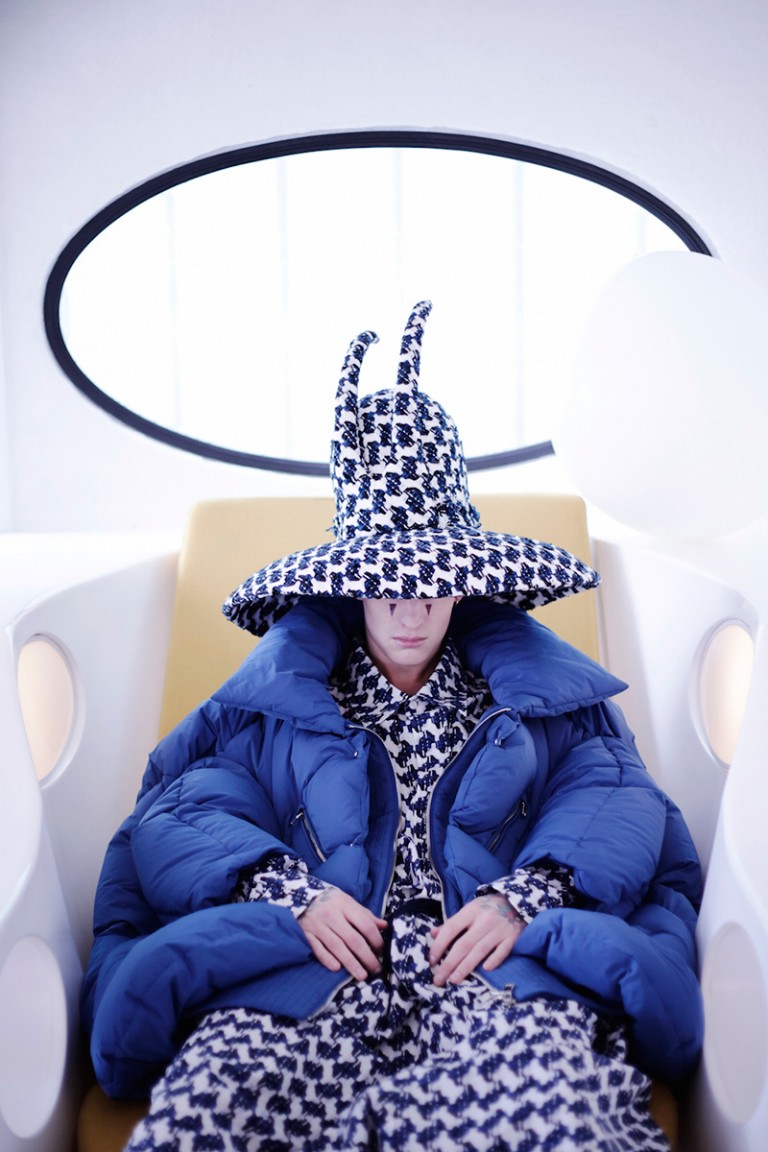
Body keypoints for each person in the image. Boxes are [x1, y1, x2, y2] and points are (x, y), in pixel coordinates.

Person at [83, 301, 703, 1151]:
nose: (411, 611)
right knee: (212, 1108)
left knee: (567, 1112)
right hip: (302, 976)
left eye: (433, 583)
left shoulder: (546, 705)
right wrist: (289, 893)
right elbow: (178, 816)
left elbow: (615, 799)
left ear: (466, 580)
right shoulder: (271, 711)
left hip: (498, 976)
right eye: (386, 584)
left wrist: (526, 897)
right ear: (350, 583)